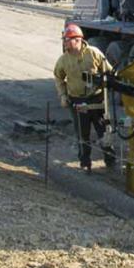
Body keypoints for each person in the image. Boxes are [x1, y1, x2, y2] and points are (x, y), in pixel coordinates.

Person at [53, 23, 116, 172]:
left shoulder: (93, 53)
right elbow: (58, 77)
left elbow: (109, 72)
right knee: (83, 134)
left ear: (77, 40)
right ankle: (85, 163)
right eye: (64, 40)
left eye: (67, 40)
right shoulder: (63, 60)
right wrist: (63, 95)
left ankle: (110, 160)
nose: (65, 43)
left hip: (97, 100)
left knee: (104, 132)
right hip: (77, 101)